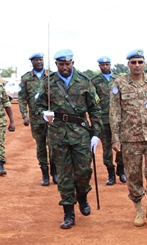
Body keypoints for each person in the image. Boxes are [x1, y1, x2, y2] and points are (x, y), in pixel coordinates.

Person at [36, 49, 102, 229]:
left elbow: (95, 109)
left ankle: (82, 195)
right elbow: (38, 105)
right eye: (61, 64)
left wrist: (96, 134)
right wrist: (44, 114)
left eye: (67, 64)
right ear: (56, 64)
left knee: (83, 172)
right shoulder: (48, 83)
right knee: (64, 174)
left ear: (72, 63)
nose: (64, 67)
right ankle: (68, 212)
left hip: (80, 133)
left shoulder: (84, 81)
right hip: (58, 134)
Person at [110, 48, 147, 227]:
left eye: (140, 62)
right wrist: (115, 137)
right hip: (130, 138)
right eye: (133, 62)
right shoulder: (119, 83)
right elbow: (114, 112)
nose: (137, 65)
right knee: (133, 175)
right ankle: (138, 209)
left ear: (144, 64)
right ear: (128, 64)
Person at [18, 52, 57, 186]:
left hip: (51, 118)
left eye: (40, 59)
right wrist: (24, 115)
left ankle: (55, 172)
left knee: (53, 145)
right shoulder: (26, 78)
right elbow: (22, 98)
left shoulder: (51, 76)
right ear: (32, 62)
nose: (39, 62)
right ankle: (44, 174)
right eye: (36, 60)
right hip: (36, 118)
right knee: (40, 146)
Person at [91, 56, 126, 185]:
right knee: (106, 148)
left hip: (118, 118)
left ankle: (121, 170)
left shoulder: (119, 79)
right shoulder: (94, 81)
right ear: (99, 66)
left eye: (107, 64)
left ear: (110, 65)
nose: (105, 66)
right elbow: (92, 100)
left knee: (121, 144)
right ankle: (110, 172)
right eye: (102, 65)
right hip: (103, 119)